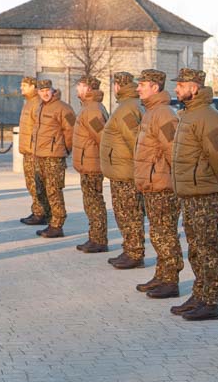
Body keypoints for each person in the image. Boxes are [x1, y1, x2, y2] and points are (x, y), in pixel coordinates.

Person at [169, 68, 218, 321]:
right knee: (196, 247)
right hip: (190, 192)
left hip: (204, 193)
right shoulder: (190, 114)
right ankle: (199, 294)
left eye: (181, 85)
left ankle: (210, 300)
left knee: (207, 247)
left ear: (194, 88)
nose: (176, 89)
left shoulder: (208, 117)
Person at [133, 69, 182, 299]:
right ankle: (161, 275)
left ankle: (171, 281)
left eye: (142, 84)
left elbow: (173, 149)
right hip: (152, 184)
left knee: (166, 234)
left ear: (155, 87)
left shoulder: (163, 114)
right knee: (158, 234)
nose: (138, 88)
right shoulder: (152, 112)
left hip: (162, 186)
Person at [100, 72, 146, 270]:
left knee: (130, 213)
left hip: (126, 172)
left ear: (118, 86)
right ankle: (129, 249)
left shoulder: (127, 109)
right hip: (121, 170)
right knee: (124, 213)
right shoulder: (127, 106)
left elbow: (135, 140)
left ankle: (135, 253)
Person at [32, 80, 75, 239]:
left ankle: (57, 225)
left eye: (47, 90)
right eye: (42, 90)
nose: (45, 93)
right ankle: (51, 221)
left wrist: (65, 149)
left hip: (54, 157)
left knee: (54, 190)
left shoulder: (63, 108)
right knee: (42, 190)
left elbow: (72, 130)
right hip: (40, 155)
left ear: (53, 90)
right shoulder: (40, 107)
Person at [72, 75, 109, 253]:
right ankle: (95, 237)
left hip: (92, 165)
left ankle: (99, 239)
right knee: (91, 202)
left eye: (79, 86)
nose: (76, 89)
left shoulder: (92, 110)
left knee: (94, 202)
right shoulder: (88, 107)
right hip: (88, 163)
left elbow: (102, 137)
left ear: (88, 89)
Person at [17, 76, 51, 226]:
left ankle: (40, 213)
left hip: (34, 152)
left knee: (35, 183)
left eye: (24, 85)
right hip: (28, 150)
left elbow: (40, 129)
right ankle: (38, 210)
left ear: (33, 87)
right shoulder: (29, 103)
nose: (21, 88)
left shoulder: (37, 103)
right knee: (31, 183)